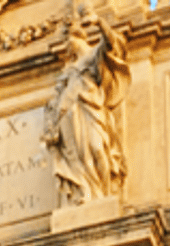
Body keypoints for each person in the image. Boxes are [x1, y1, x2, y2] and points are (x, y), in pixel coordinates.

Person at [42, 4, 129, 205]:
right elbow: (59, 100)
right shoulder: (69, 69)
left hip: (92, 111)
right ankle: (88, 191)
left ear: (77, 38)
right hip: (72, 116)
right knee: (80, 157)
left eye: (69, 41)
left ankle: (104, 194)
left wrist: (98, 22)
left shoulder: (92, 55)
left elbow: (111, 43)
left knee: (98, 149)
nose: (67, 46)